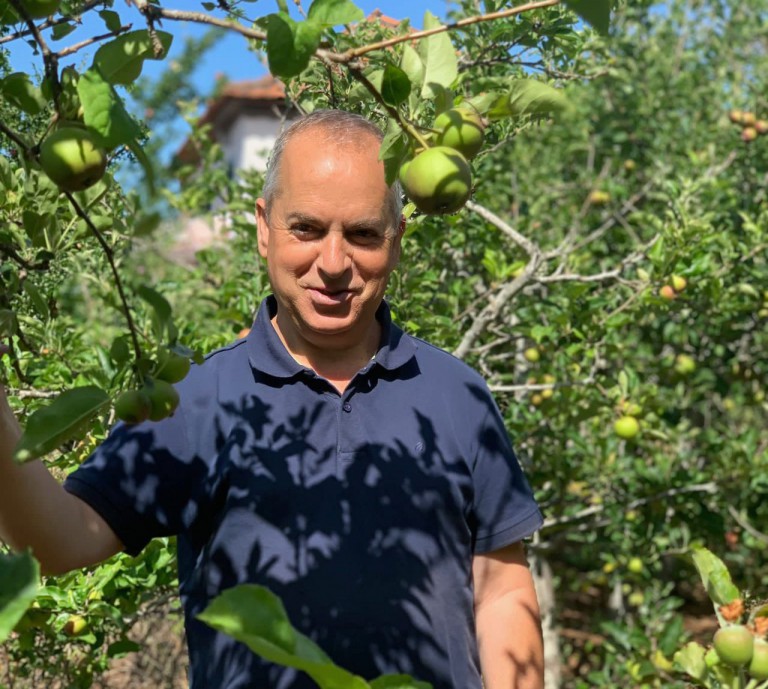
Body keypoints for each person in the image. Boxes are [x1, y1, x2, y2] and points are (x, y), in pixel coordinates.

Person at [0, 109, 545, 689]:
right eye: (306, 229)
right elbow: (56, 542)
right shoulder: (196, 400)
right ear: (264, 227)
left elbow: (502, 589)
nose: (333, 265)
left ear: (397, 238)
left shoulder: (455, 392)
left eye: (362, 233)